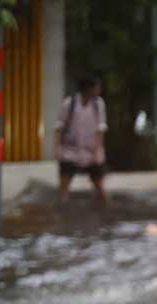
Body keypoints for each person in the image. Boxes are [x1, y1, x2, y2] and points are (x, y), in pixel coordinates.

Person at [55, 76, 109, 207]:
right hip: (70, 150)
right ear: (89, 89)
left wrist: (99, 150)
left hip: (91, 151)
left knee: (99, 185)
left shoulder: (98, 104)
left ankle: (105, 211)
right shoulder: (70, 103)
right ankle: (63, 211)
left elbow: (100, 129)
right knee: (64, 185)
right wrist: (57, 149)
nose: (99, 90)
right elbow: (59, 128)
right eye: (97, 87)